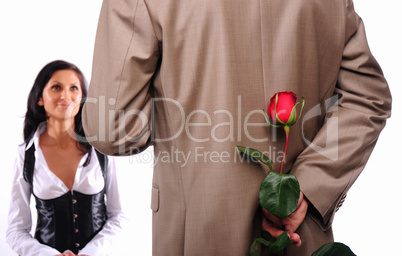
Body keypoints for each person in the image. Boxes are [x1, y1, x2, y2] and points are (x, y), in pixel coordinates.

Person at [82, 0, 392, 255]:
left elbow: (111, 129)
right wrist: (308, 187)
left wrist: (181, 109)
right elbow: (368, 97)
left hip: (198, 232)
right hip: (297, 230)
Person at [7, 60, 126, 256]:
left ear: (82, 98)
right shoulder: (26, 155)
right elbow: (15, 230)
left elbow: (119, 215)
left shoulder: (100, 148)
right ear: (39, 98)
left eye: (73, 88)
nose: (65, 96)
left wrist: (93, 252)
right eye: (56, 87)